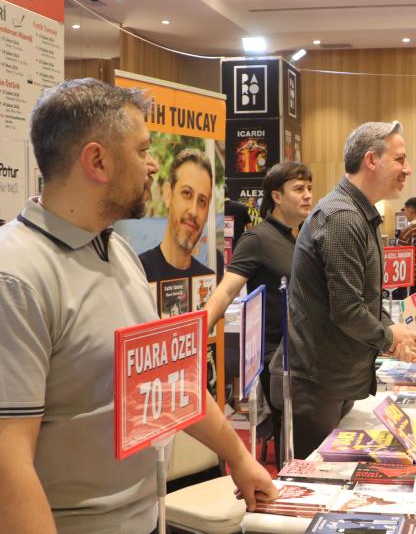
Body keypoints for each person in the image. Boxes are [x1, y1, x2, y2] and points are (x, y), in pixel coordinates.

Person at [0, 78, 276, 534]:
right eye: (143, 150)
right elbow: (9, 468)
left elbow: (169, 382)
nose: (152, 165)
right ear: (97, 161)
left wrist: (239, 457)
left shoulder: (117, 251)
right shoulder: (17, 276)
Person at [270, 121, 416, 459]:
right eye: (400, 159)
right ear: (371, 160)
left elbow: (363, 300)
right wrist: (389, 336)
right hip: (315, 383)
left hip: (332, 379)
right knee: (312, 483)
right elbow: (347, 310)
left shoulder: (357, 213)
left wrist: (393, 334)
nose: (408, 169)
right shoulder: (342, 217)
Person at [205, 162, 312, 439]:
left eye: (309, 188)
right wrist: (197, 332)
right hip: (277, 357)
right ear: (277, 196)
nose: (307, 195)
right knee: (293, 437)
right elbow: (225, 292)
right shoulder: (257, 239)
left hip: (306, 353)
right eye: (298, 189)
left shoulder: (303, 238)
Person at [139, 148, 223, 282]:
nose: (193, 211)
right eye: (187, 193)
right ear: (168, 195)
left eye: (202, 201)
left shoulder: (206, 282)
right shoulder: (139, 274)